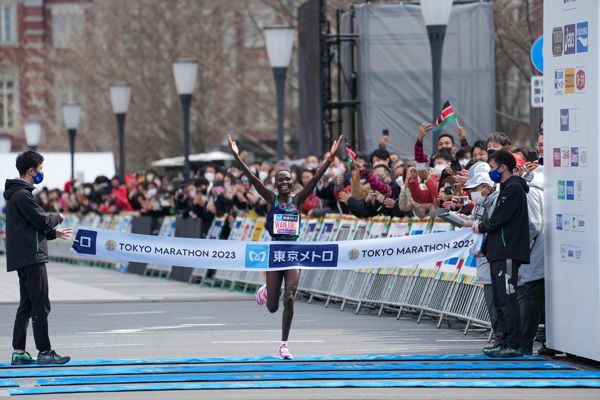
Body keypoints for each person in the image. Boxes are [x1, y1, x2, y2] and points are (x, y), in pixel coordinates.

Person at [227, 134, 343, 360]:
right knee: (272, 307)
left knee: (289, 297)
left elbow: (315, 179)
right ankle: (266, 291)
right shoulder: (271, 199)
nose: (285, 182)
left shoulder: (298, 200)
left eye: (288, 179)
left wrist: (330, 158)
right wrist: (236, 157)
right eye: (280, 179)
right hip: (274, 253)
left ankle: (284, 345)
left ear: (292, 183)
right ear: (275, 184)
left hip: (293, 253)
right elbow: (252, 178)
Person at [4, 151, 72, 365]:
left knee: (26, 304)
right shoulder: (23, 195)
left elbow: (29, 227)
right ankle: (45, 352)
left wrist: (53, 234)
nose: (42, 172)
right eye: (40, 169)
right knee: (41, 304)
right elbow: (41, 221)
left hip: (24, 257)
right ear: (31, 170)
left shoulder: (17, 194)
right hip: (32, 257)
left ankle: (19, 352)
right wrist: (57, 218)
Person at [465, 150, 530, 358]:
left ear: (502, 167)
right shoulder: (505, 188)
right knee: (500, 298)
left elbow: (500, 218)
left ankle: (513, 343)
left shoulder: (514, 188)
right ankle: (502, 341)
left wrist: (480, 226)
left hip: (508, 252)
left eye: (493, 167)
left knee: (507, 298)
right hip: (498, 251)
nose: (491, 172)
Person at [463, 162, 502, 350]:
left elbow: (492, 226)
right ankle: (499, 337)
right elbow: (475, 221)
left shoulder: (496, 200)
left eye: (475, 188)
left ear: (486, 186)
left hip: (495, 257)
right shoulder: (481, 203)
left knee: (499, 301)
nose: (472, 192)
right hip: (484, 259)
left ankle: (502, 339)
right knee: (491, 301)